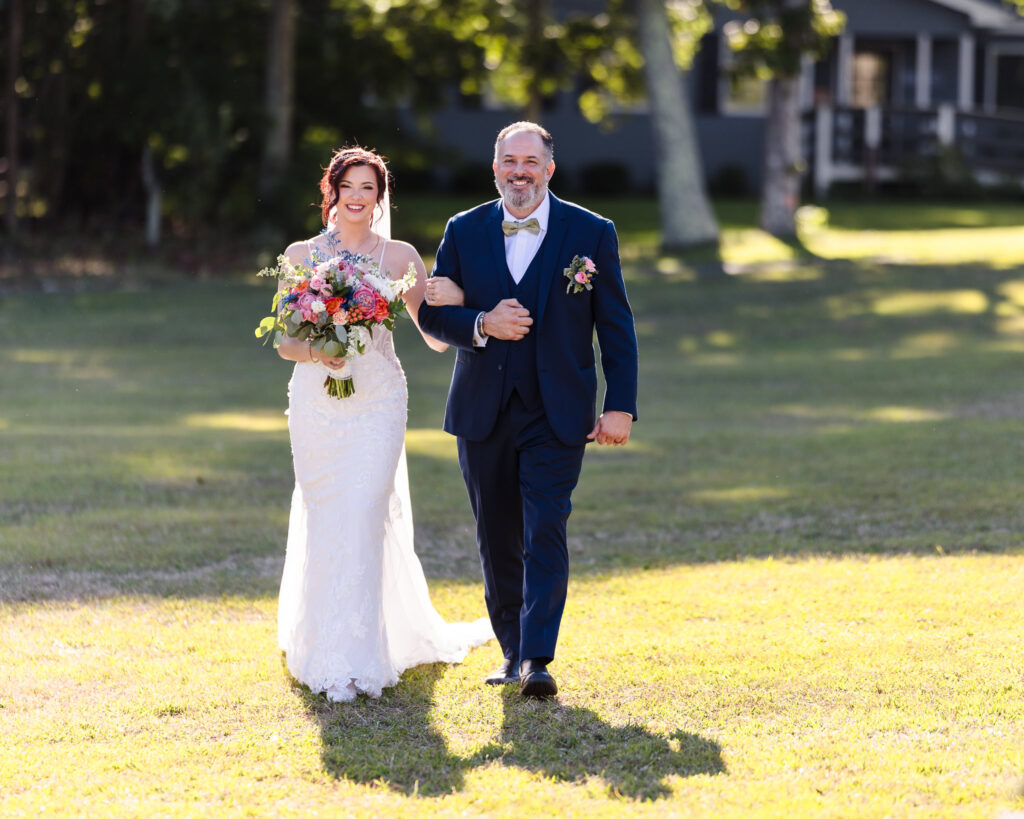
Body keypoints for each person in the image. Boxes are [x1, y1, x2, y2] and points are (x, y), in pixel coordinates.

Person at [417, 122, 639, 698]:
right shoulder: (463, 231)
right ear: (495, 168)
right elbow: (435, 314)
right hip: (482, 410)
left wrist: (621, 407)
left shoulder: (591, 232)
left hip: (558, 413)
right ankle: (511, 649)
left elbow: (616, 327)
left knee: (546, 527)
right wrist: (483, 324)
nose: (519, 171)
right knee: (497, 533)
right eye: (509, 161)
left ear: (549, 169)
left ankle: (538, 657)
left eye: (530, 161)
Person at [273, 147, 492, 702]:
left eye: (367, 187)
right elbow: (284, 342)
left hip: (377, 401)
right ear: (332, 190)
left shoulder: (399, 257)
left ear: (379, 196)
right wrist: (320, 353)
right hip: (318, 401)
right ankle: (323, 648)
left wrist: (464, 299)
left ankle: (358, 660)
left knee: (367, 510)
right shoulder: (301, 254)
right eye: (347, 185)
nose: (356, 196)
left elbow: (435, 333)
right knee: (329, 515)